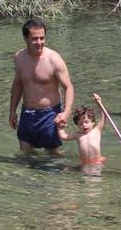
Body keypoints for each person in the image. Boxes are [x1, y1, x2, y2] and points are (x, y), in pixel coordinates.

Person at [9, 19, 74, 156]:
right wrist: (12, 111)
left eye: (42, 38)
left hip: (49, 114)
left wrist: (66, 113)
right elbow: (18, 84)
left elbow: (68, 87)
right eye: (34, 39)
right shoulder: (19, 58)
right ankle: (29, 178)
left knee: (54, 156)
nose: (39, 42)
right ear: (25, 38)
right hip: (27, 113)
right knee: (25, 153)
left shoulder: (54, 59)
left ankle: (65, 176)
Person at [59, 93, 107, 165]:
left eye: (86, 122)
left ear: (93, 122)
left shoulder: (97, 130)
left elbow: (104, 115)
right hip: (85, 163)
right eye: (81, 124)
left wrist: (99, 103)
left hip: (97, 162)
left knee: (97, 175)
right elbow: (63, 136)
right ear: (77, 125)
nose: (84, 125)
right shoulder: (78, 135)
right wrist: (59, 126)